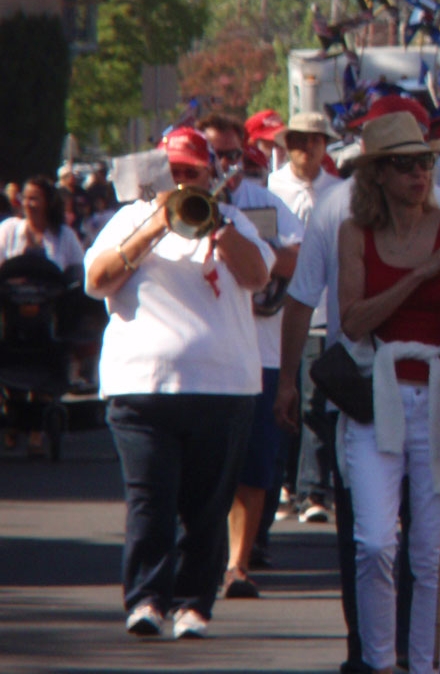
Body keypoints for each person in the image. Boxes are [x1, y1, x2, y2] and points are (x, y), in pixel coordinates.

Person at [85, 126, 274, 640]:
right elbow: (96, 281)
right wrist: (152, 228)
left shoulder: (233, 221)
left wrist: (221, 231)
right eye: (173, 172)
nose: (182, 179)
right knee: (151, 499)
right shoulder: (127, 219)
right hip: (140, 387)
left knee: (207, 507)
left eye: (192, 171)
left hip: (224, 388)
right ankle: (146, 599)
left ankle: (193, 605)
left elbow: (259, 278)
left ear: (211, 174)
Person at [337, 112, 440, 674]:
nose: (420, 173)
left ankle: (425, 666)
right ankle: (379, 663)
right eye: (405, 164)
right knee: (373, 543)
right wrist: (420, 274)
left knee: (431, 555)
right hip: (380, 396)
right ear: (378, 175)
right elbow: (352, 320)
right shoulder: (354, 233)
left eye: (426, 162)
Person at [198, 113, 304, 596]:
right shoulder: (169, 202)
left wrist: (250, 249)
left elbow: (298, 258)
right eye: (214, 154)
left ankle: (238, 565)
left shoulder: (264, 202)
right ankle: (202, 557)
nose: (224, 163)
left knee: (255, 465)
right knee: (204, 467)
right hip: (201, 358)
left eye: (232, 154)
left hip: (257, 351)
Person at [1, 176, 88, 456]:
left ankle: (37, 430)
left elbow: (77, 270)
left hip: (48, 315)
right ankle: (14, 416)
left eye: (35, 198)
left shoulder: (64, 236)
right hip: (11, 313)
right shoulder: (9, 230)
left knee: (48, 357)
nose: (29, 204)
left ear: (48, 202)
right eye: (25, 198)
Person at [268, 112, 343, 222]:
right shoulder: (270, 186)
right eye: (301, 139)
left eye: (315, 140)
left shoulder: (338, 191)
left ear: (325, 146)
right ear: (288, 144)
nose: (308, 146)